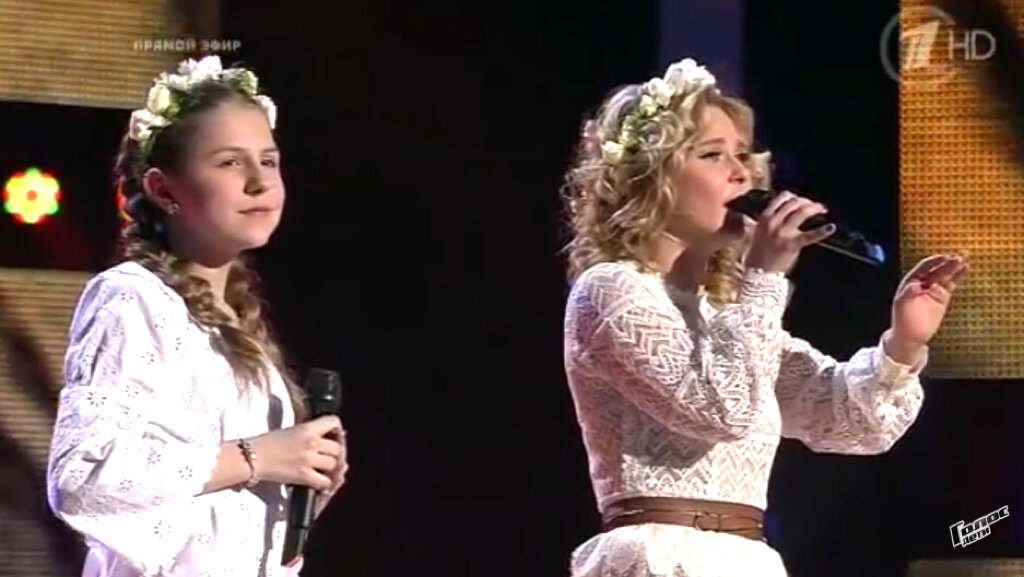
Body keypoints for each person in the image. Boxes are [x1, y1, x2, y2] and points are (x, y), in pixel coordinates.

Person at [559, 57, 967, 577]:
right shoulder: (611, 291)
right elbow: (722, 408)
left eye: (743, 155)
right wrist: (765, 276)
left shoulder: (727, 315)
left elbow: (848, 422)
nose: (742, 173)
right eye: (712, 154)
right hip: (658, 558)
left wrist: (903, 343)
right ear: (651, 179)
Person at [46, 55, 348, 577]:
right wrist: (259, 457)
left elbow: (215, 524)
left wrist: (302, 483)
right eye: (230, 163)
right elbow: (81, 477)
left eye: (269, 161)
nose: (259, 182)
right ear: (165, 190)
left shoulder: (234, 325)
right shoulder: (132, 298)